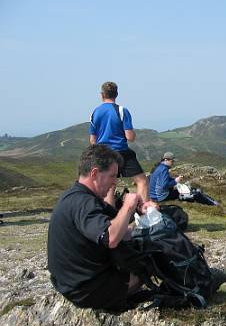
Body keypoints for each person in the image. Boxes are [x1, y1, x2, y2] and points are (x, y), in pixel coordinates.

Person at [47, 145, 155, 310]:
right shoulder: (83, 203)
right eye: (112, 176)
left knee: (135, 247)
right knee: (146, 267)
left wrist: (139, 211)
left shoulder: (79, 195)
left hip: (73, 282)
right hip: (85, 290)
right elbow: (110, 238)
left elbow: (120, 226)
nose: (114, 183)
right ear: (95, 173)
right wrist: (127, 207)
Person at [89, 81, 149, 205]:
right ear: (116, 94)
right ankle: (145, 214)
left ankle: (109, 218)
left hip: (104, 153)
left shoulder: (95, 112)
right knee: (142, 181)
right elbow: (130, 137)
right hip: (121, 152)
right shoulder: (122, 111)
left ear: (102, 95)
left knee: (110, 186)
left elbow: (92, 140)